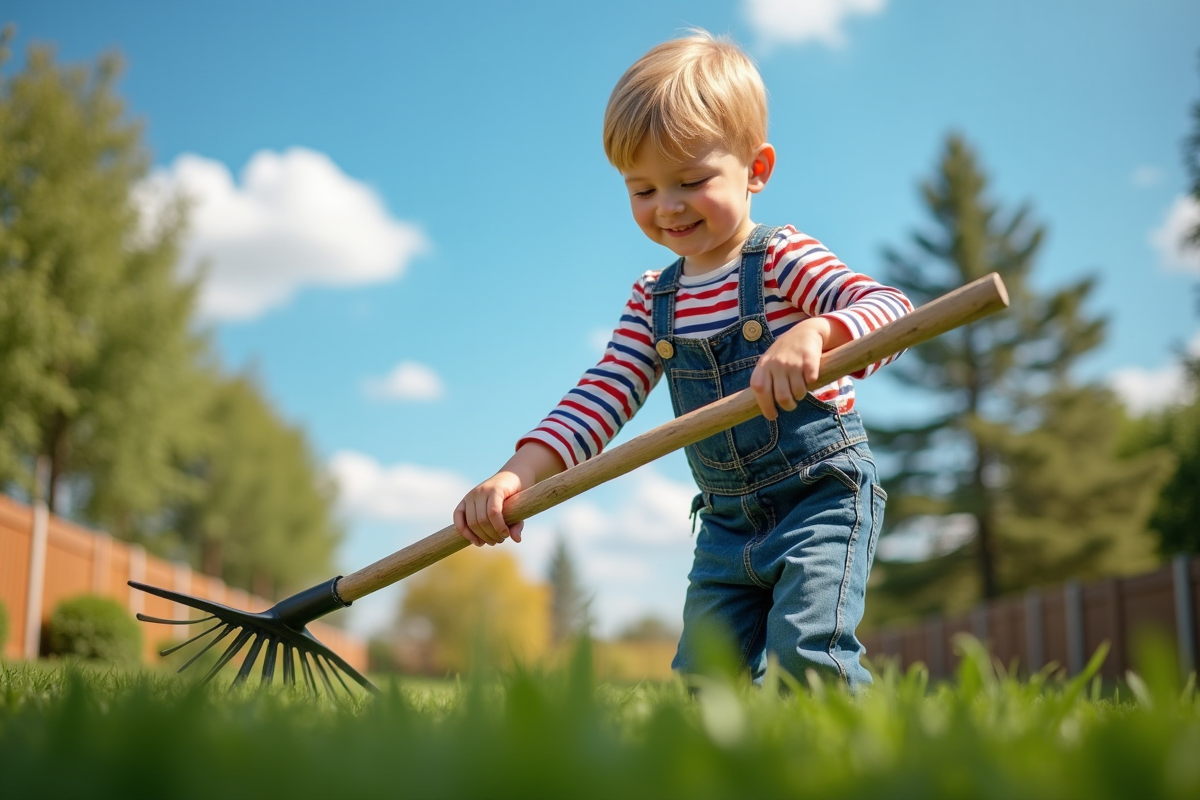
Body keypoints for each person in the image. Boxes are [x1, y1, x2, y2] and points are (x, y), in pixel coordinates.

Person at [452, 30, 912, 690]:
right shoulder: (653, 301)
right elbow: (601, 395)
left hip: (820, 500)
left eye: (691, 181)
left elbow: (889, 309)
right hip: (726, 525)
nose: (667, 206)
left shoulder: (782, 260)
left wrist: (817, 334)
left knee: (808, 656)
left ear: (757, 170)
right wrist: (515, 475)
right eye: (642, 189)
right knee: (704, 682)